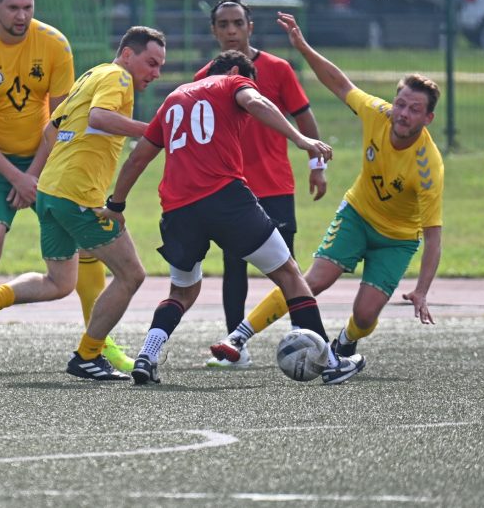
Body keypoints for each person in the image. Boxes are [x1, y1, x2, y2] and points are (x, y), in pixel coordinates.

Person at [100, 49, 365, 386]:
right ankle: (330, 363)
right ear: (238, 71)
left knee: (181, 291)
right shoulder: (234, 81)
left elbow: (138, 159)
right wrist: (300, 139)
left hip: (177, 209)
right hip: (225, 199)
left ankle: (147, 355)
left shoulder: (173, 99)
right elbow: (256, 103)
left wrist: (116, 204)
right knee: (289, 274)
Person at [209, 12, 443, 372]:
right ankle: (238, 337)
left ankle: (346, 342)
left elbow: (432, 235)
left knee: (365, 314)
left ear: (428, 118)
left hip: (397, 239)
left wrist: (423, 289)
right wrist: (303, 46)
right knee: (311, 281)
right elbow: (338, 82)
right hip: (357, 215)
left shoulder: (428, 166)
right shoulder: (377, 113)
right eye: (401, 104)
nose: (403, 114)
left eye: (414, 110)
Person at [0, 26, 166, 381]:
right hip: (77, 195)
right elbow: (99, 118)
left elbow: (51, 129)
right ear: (128, 54)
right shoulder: (119, 79)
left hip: (52, 192)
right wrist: (152, 131)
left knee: (59, 282)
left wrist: (33, 179)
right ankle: (88, 353)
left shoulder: (92, 74)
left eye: (159, 66)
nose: (156, 72)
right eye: (151, 62)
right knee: (132, 274)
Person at [195, 0, 327, 369]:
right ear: (214, 31)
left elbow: (305, 119)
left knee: (287, 268)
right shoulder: (205, 77)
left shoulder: (277, 69)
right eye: (223, 24)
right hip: (230, 189)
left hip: (275, 185)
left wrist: (317, 164)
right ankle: (235, 349)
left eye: (238, 22)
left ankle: (310, 341)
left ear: (250, 27)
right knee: (233, 267)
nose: (232, 30)